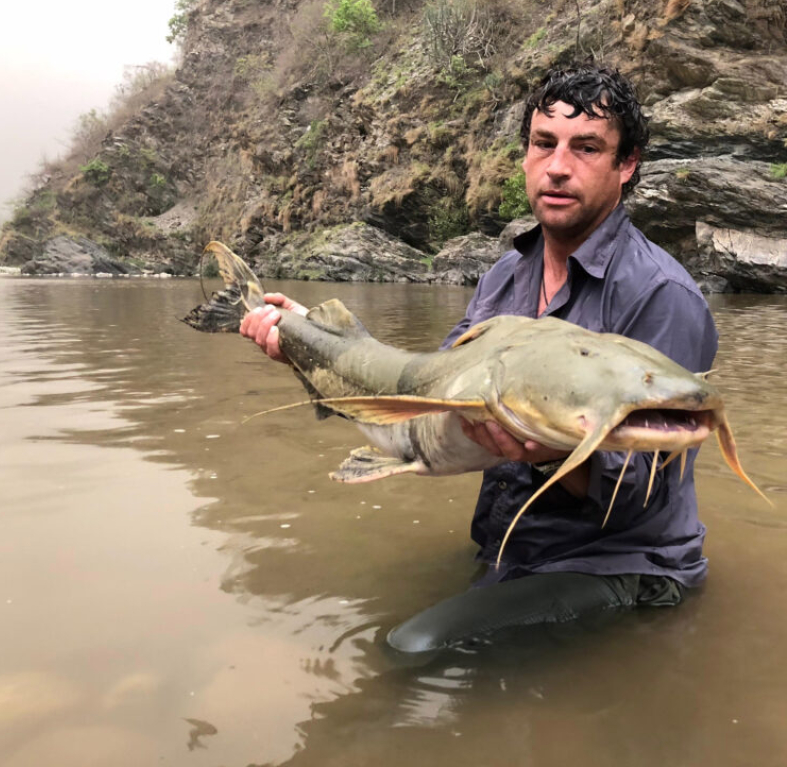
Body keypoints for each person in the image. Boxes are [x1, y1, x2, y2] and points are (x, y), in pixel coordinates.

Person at [240, 64, 718, 653]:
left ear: (627, 165)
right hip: (510, 547)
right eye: (544, 144)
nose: (558, 167)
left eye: (587, 148)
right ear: (524, 157)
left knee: (409, 649)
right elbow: (426, 401)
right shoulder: (504, 277)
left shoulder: (661, 295)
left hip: (621, 566)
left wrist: (544, 453)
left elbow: (644, 495)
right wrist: (307, 342)